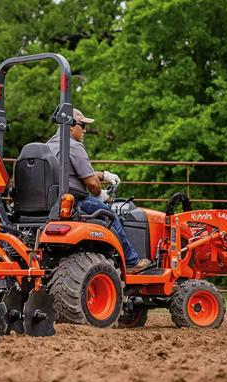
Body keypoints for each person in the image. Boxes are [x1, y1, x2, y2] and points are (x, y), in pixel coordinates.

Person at [46, 108, 151, 274]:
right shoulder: (73, 147)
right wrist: (101, 194)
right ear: (71, 126)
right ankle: (131, 262)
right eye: (82, 125)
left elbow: (70, 173)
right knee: (110, 215)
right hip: (75, 202)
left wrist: (103, 175)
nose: (85, 130)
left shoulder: (49, 146)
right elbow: (92, 185)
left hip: (51, 203)